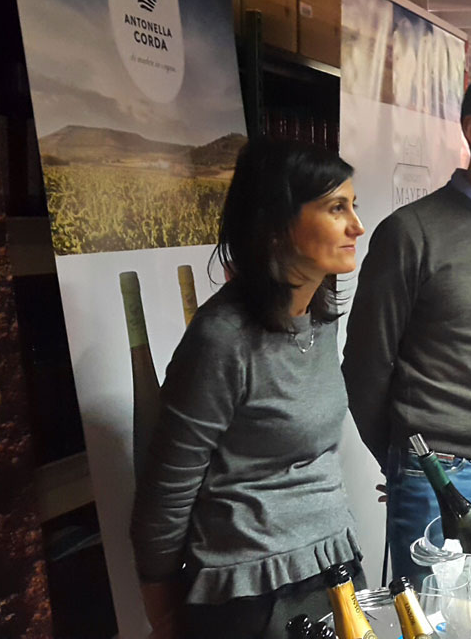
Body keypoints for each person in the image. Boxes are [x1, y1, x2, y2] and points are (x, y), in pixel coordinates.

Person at [130, 139, 366, 639]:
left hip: (333, 565)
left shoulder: (319, 319)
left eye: (353, 205)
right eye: (336, 208)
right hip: (251, 593)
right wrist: (164, 614)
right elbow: (165, 489)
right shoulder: (222, 339)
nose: (356, 226)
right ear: (277, 225)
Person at [344, 67, 471, 581]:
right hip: (439, 473)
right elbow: (366, 365)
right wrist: (407, 460)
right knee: (431, 617)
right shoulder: (410, 232)